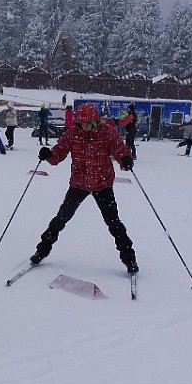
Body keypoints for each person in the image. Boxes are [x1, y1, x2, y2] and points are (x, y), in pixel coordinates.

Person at [30, 103, 138, 274]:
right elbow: (59, 154)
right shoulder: (72, 134)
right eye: (82, 124)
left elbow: (120, 148)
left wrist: (125, 158)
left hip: (102, 183)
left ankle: (129, 259)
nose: (86, 127)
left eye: (90, 123)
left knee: (113, 222)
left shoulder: (107, 132)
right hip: (79, 183)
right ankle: (41, 250)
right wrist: (49, 155)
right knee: (61, 218)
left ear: (96, 121)